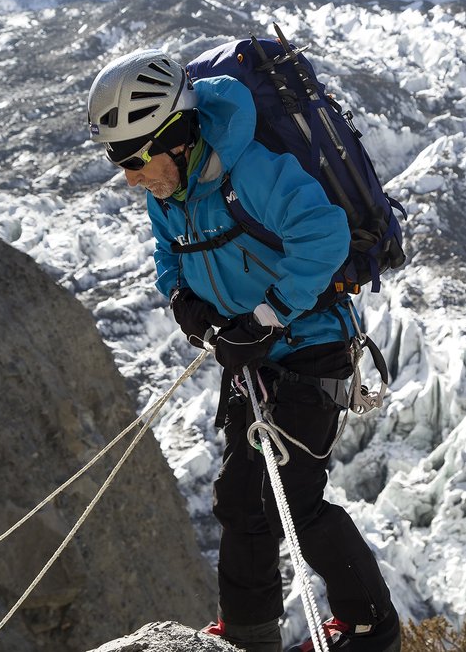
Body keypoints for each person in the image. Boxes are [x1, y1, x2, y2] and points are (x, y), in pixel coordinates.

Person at [85, 50, 399, 652]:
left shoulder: (251, 170)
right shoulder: (168, 188)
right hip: (249, 355)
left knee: (294, 499)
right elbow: (166, 251)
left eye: (136, 159)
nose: (130, 177)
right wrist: (180, 296)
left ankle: (372, 627)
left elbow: (324, 234)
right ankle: (249, 633)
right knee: (240, 497)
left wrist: (270, 314)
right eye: (118, 161)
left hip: (309, 347)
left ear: (176, 138)